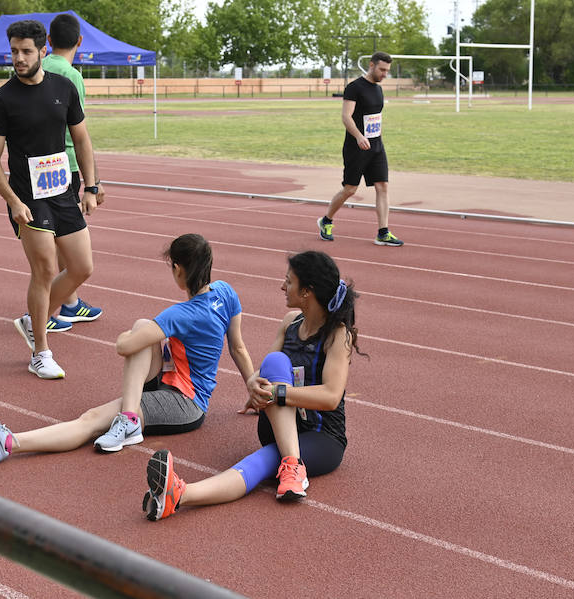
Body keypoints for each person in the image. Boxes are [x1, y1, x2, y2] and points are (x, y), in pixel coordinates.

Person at [0, 233, 255, 462]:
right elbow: (238, 348)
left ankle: (8, 443)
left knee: (92, 419)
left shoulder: (181, 314)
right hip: (171, 383)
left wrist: (126, 335)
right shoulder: (226, 292)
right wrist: (252, 387)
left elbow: (123, 347)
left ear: (178, 270)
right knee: (144, 324)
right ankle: (129, 416)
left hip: (185, 404)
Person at [141, 250, 364, 521]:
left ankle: (181, 495)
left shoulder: (338, 335)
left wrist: (277, 393)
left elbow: (330, 397)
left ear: (307, 291)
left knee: (268, 459)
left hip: (322, 436)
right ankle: (292, 463)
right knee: (275, 359)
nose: (283, 287)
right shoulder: (290, 323)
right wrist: (256, 386)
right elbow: (265, 371)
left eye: (289, 282)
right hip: (281, 423)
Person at [0, 19, 99, 379]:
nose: (18, 58)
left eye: (26, 51)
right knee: (45, 268)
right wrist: (13, 201)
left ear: (42, 50)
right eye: (14, 51)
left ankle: (35, 318)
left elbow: (81, 140)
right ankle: (41, 352)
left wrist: (91, 187)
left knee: (82, 268)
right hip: (27, 198)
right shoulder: (3, 99)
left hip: (63, 190)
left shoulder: (64, 88)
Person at [41, 13, 105, 333]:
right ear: (80, 41)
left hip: (36, 166)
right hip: (64, 165)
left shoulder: (38, 68)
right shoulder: (71, 75)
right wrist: (92, 184)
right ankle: (48, 310)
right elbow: (78, 132)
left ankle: (69, 302)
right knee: (67, 240)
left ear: (48, 41)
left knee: (51, 238)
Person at [317, 51, 403, 246]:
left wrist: (374, 137)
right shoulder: (354, 88)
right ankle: (326, 220)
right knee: (350, 189)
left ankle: (383, 232)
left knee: (383, 186)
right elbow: (346, 116)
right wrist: (359, 136)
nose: (385, 74)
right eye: (382, 69)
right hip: (356, 147)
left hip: (376, 146)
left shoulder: (378, 90)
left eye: (387, 71)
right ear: (371, 65)